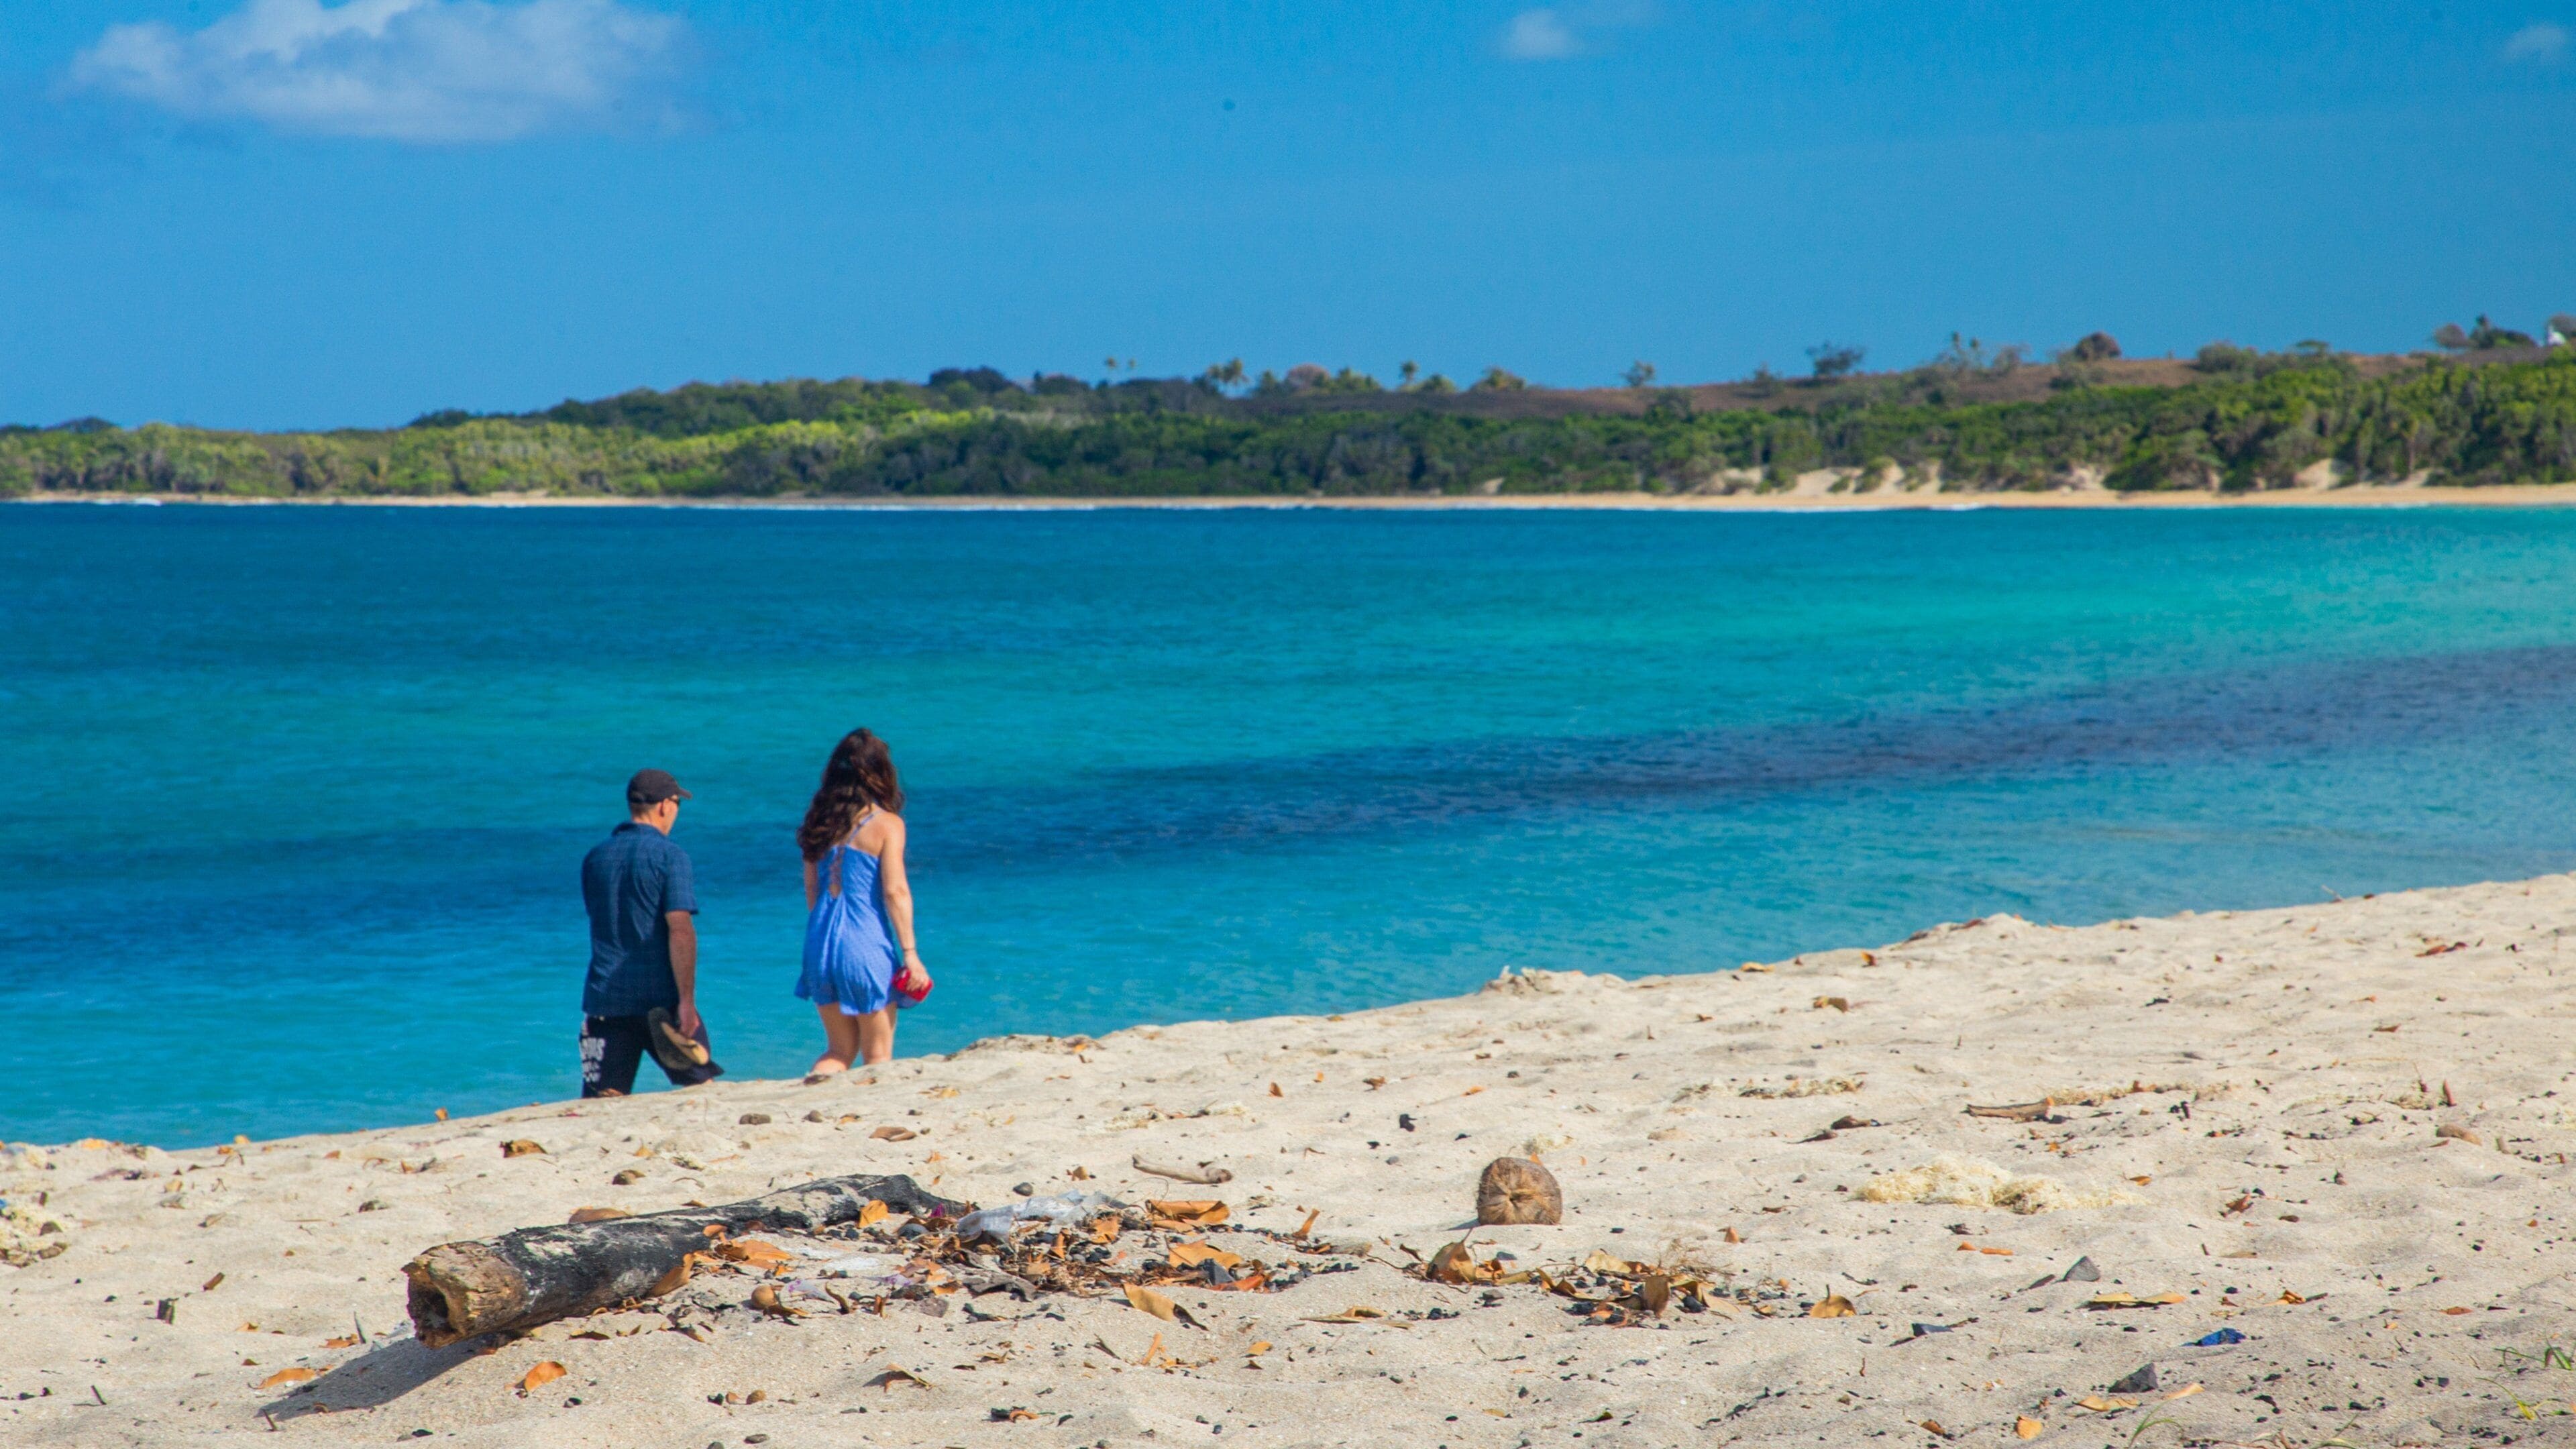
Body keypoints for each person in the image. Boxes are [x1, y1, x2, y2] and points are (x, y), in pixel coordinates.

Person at [578, 769, 724, 1097]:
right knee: (703, 1093)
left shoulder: (595, 858)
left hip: (604, 1001)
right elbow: (680, 929)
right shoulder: (670, 856)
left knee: (601, 1104)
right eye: (677, 803)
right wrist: (687, 1002)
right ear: (664, 806)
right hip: (660, 1002)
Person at [796, 729, 930, 1077]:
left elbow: (812, 890)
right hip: (864, 944)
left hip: (820, 943)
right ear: (880, 773)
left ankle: (817, 1105)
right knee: (877, 1055)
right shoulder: (887, 825)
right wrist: (911, 955)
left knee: (838, 1051)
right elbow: (895, 891)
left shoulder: (818, 823)